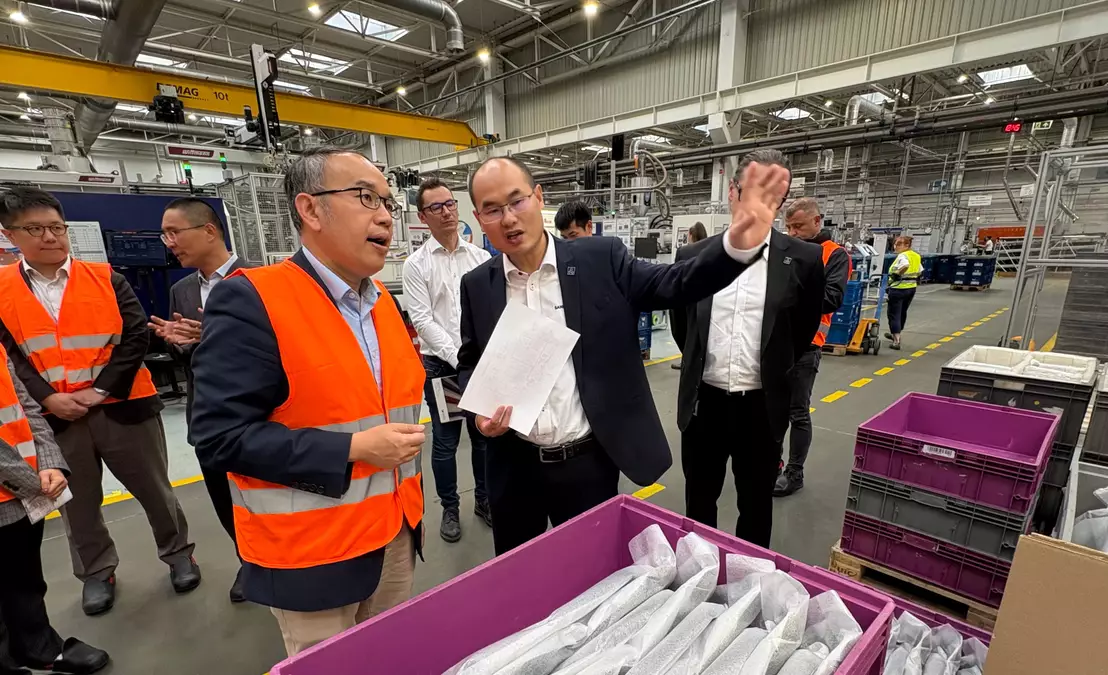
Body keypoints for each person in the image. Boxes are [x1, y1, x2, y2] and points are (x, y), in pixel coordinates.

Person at [459, 155, 789, 555]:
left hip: (586, 464)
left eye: (517, 201)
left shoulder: (600, 260)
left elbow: (676, 282)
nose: (509, 218)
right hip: (514, 467)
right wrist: (478, 416)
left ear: (539, 197)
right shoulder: (478, 285)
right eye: (493, 210)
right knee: (518, 575)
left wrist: (734, 247)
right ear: (479, 218)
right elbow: (470, 363)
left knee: (592, 572)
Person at [190, 147, 426, 657]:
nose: (386, 216)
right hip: (313, 556)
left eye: (388, 202)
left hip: (395, 533)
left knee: (394, 659)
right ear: (311, 209)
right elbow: (219, 437)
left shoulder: (383, 304)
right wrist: (353, 449)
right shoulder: (253, 299)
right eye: (366, 198)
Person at [0, 188, 198, 617]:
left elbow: (135, 336)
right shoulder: (2, 289)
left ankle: (179, 553)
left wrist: (101, 389)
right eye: (35, 229)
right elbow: (8, 356)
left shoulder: (106, 278)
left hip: (123, 406)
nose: (50, 237)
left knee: (155, 489)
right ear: (10, 235)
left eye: (56, 227)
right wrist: (48, 397)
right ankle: (96, 572)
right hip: (55, 417)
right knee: (76, 503)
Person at [670, 151, 827, 549]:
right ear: (733, 192)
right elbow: (683, 328)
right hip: (704, 403)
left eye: (775, 197)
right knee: (699, 502)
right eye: (756, 193)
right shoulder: (693, 257)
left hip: (762, 406)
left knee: (756, 505)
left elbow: (802, 329)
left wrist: (772, 368)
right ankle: (699, 574)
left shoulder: (804, 259)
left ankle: (750, 576)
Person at [147, 198, 251, 603]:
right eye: (165, 235)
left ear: (209, 230)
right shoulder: (182, 290)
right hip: (208, 415)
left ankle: (281, 559)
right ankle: (249, 560)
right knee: (223, 497)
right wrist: (178, 343)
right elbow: (186, 357)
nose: (169, 243)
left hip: (260, 413)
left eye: (175, 232)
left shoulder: (263, 278)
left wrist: (209, 335)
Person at [0, 344, 110, 675]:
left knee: (25, 577)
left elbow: (25, 406)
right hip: (20, 482)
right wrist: (33, 481)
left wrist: (49, 462)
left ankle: (36, 645)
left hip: (19, 492)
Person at [401, 177, 492, 544]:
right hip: (443, 368)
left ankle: (484, 500)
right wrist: (461, 358)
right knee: (445, 442)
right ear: (423, 216)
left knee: (482, 437)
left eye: (450, 203)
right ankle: (450, 508)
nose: (446, 212)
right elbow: (422, 321)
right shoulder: (416, 265)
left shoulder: (480, 258)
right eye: (436, 207)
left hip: (478, 366)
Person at [775, 198, 851, 497]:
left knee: (797, 412)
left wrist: (789, 295)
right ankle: (773, 464)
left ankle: (795, 473)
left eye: (799, 226)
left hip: (806, 346)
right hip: (776, 343)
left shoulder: (834, 255)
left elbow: (832, 298)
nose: (793, 232)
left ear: (817, 221)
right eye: (789, 227)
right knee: (772, 410)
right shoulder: (786, 250)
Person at [671, 223, 709, 371]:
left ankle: (687, 359)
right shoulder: (711, 250)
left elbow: (677, 277)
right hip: (707, 302)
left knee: (685, 331)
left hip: (687, 301)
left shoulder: (684, 252)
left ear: (690, 235)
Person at [885, 235, 922, 350]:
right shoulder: (916, 256)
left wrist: (896, 275)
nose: (895, 247)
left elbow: (905, 265)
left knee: (894, 313)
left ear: (906, 245)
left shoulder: (903, 256)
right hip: (911, 288)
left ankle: (896, 340)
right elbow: (920, 271)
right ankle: (896, 333)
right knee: (902, 312)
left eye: (897, 245)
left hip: (898, 288)